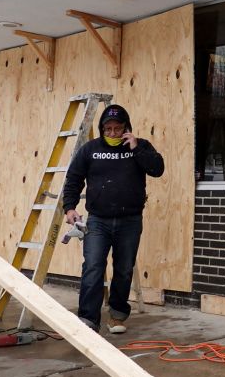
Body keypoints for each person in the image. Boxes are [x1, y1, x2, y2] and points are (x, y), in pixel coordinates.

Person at [62, 104, 164, 334]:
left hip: (130, 220)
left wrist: (137, 148)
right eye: (107, 129)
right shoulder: (90, 150)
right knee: (93, 267)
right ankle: (88, 319)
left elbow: (158, 169)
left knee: (124, 269)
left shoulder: (140, 146)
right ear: (101, 129)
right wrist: (69, 208)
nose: (113, 134)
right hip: (98, 220)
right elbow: (74, 179)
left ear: (126, 128)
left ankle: (117, 316)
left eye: (118, 129)